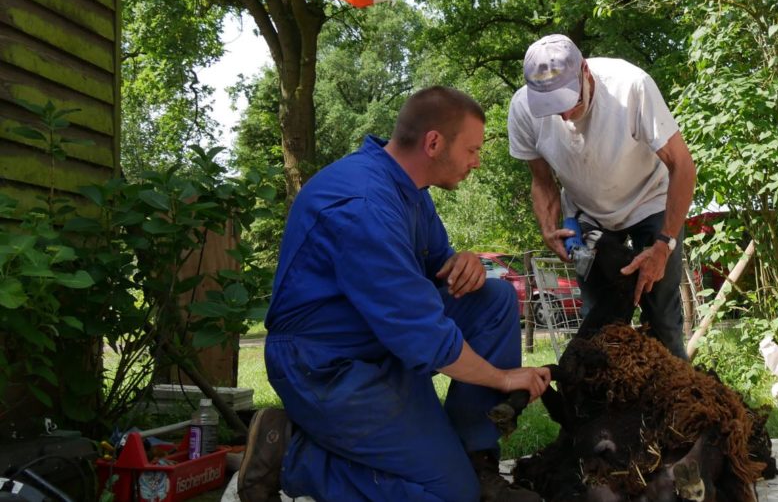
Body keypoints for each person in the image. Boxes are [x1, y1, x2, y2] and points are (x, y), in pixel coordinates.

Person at [240, 87, 550, 502]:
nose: (477, 161)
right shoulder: (363, 204)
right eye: (473, 150)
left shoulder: (409, 191)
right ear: (434, 142)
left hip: (377, 347)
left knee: (491, 298)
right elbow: (424, 337)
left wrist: (465, 261)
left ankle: (476, 461)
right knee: (449, 496)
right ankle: (293, 455)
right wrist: (504, 378)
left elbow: (438, 269)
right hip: (327, 367)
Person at [507, 34, 697, 359]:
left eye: (570, 103)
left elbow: (683, 166)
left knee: (662, 317)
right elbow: (542, 180)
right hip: (590, 214)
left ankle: (677, 404)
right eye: (552, 109)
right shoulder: (522, 109)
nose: (565, 117)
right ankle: (609, 405)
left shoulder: (630, 87)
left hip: (651, 203)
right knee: (600, 321)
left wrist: (664, 245)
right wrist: (549, 227)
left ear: (585, 71)